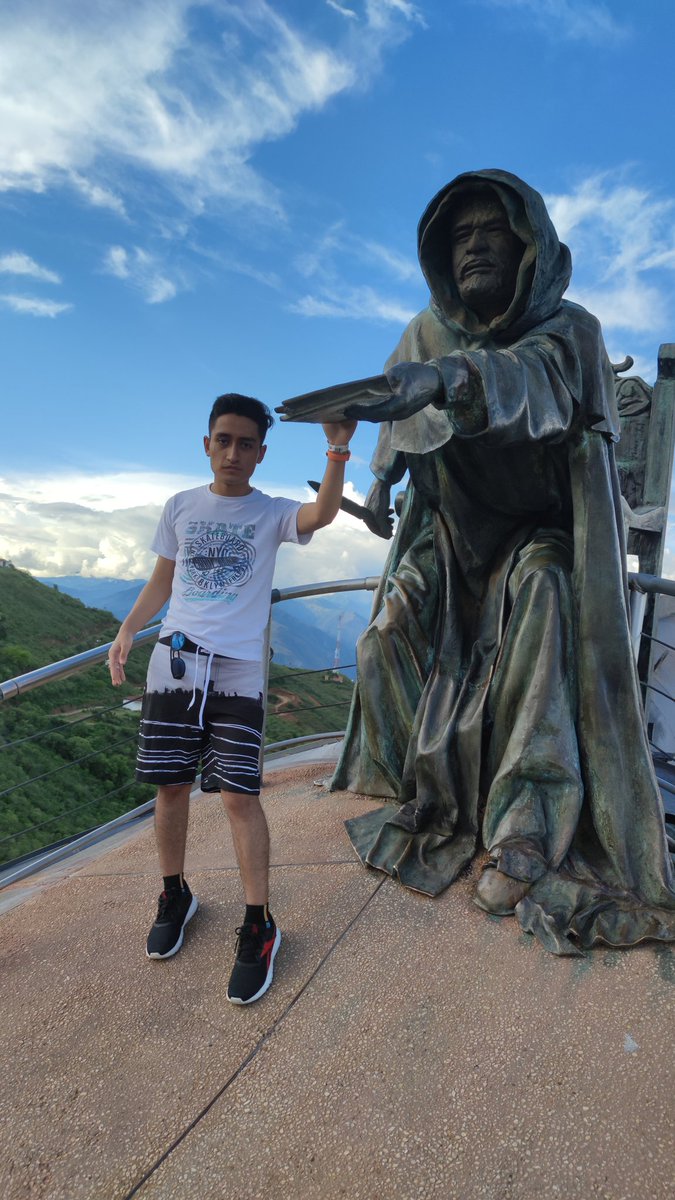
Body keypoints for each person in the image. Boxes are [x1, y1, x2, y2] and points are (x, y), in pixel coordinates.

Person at [330, 168, 675, 955]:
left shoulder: (568, 331)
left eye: (492, 229)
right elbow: (393, 410)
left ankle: (528, 822)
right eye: (459, 234)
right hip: (450, 541)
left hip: (535, 534)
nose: (475, 245)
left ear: (528, 245)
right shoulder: (425, 332)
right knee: (384, 632)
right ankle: (417, 786)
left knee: (545, 594)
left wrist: (447, 381)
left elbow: (531, 384)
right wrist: (382, 479)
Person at [109, 393, 356, 1002]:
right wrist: (126, 630)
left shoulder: (271, 513)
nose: (233, 452)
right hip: (174, 662)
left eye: (246, 443)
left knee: (242, 798)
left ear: (260, 452)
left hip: (240, 670)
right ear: (207, 444)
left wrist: (338, 446)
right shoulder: (180, 507)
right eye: (224, 440)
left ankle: (259, 922)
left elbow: (322, 514)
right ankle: (175, 892)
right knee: (170, 786)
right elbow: (162, 582)